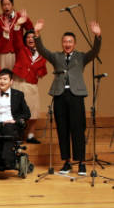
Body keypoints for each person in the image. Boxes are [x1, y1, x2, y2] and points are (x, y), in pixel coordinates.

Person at [34, 19, 102, 176]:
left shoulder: (81, 57)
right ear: (62, 43)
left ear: (75, 43)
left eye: (70, 41)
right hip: (59, 95)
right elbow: (42, 50)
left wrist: (98, 36)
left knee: (78, 130)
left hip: (76, 96)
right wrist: (37, 34)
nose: (67, 44)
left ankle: (82, 164)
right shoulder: (56, 56)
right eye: (65, 41)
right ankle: (66, 162)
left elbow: (95, 52)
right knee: (62, 130)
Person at [11, 11, 47, 144]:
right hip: (19, 84)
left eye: (33, 37)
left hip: (32, 85)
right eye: (28, 37)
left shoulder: (41, 54)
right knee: (17, 111)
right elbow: (15, 39)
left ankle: (31, 135)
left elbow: (42, 71)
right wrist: (17, 25)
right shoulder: (21, 49)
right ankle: (16, 135)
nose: (31, 39)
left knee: (33, 111)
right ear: (25, 40)